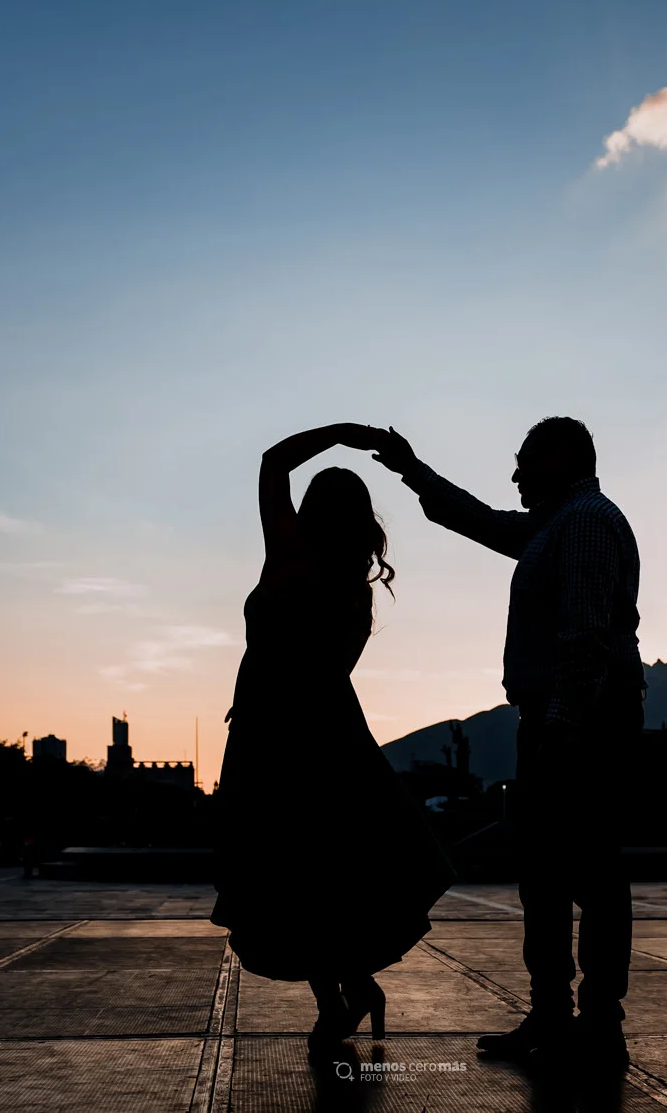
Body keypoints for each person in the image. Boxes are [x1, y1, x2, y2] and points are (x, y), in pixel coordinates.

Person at [373, 417, 643, 1070]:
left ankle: (596, 1025)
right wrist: (414, 470)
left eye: (526, 462)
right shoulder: (554, 525)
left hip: (579, 722)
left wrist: (559, 727)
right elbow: (481, 521)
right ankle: (558, 1017)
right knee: (548, 877)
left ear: (560, 459)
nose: (516, 476)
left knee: (590, 876)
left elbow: (585, 638)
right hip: (564, 718)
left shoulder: (581, 523)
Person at [212, 423, 453, 1059]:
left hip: (275, 740)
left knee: (290, 878)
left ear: (309, 513)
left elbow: (272, 462)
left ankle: (338, 1003)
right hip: (331, 737)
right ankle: (353, 993)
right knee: (330, 874)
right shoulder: (354, 592)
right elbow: (325, 672)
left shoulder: (289, 557)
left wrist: (345, 433)